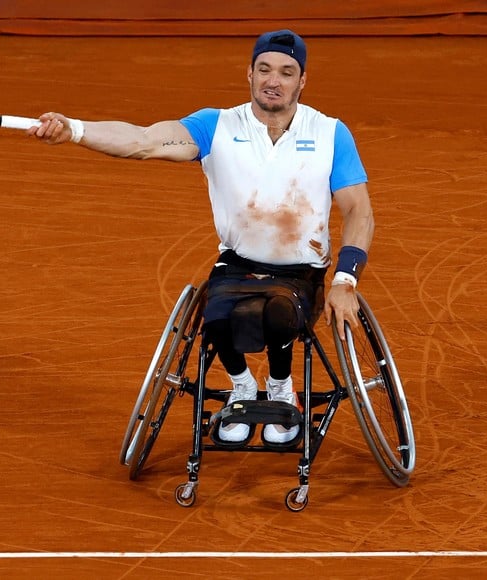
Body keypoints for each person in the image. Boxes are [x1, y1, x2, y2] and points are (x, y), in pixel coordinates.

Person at [27, 30, 374, 447]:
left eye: (286, 72)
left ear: (302, 80)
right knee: (219, 317)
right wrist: (76, 130)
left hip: (302, 273)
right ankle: (242, 386)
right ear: (249, 73)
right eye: (264, 69)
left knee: (279, 315)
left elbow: (358, 210)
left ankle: (282, 388)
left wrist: (345, 281)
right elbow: (143, 141)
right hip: (238, 265)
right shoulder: (216, 126)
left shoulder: (330, 133)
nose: (273, 80)